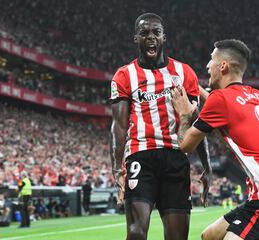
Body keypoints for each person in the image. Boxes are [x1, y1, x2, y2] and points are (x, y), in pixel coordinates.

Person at [171, 39, 259, 240]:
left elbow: (185, 145)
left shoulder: (220, 100)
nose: (207, 66)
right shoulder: (257, 96)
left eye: (211, 60)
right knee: (209, 236)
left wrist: (185, 114)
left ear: (223, 66)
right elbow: (225, 110)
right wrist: (196, 89)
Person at [110, 13, 212, 240]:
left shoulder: (185, 73)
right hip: (140, 156)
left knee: (177, 237)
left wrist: (206, 166)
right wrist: (117, 168)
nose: (150, 37)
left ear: (164, 37)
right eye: (144, 33)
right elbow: (118, 126)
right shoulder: (125, 75)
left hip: (176, 156)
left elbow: (196, 123)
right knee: (136, 233)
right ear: (135, 38)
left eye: (156, 32)